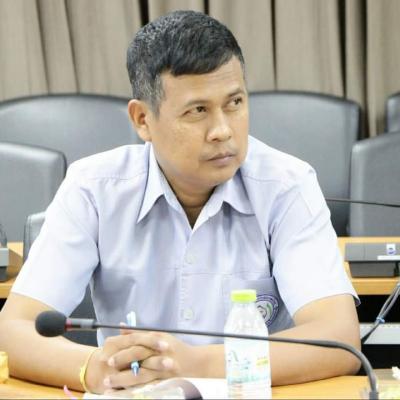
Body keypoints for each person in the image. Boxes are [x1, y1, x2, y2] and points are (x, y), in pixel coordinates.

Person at [0, 10, 360, 394]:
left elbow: (338, 337)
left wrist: (192, 364)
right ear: (143, 119)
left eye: (235, 103)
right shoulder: (94, 188)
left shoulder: (286, 184)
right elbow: (12, 330)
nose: (222, 130)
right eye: (197, 111)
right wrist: (93, 368)